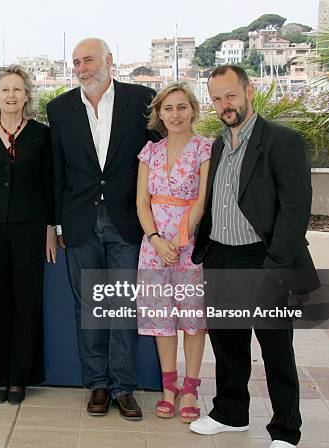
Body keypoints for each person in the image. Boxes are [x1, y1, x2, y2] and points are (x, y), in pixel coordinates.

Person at [189, 65, 320, 448]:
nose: (224, 105)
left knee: (275, 347)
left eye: (230, 95)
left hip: (264, 259)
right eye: (216, 98)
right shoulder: (217, 145)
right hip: (221, 257)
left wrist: (276, 268)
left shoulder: (283, 142)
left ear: (249, 91)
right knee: (228, 344)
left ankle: (285, 430)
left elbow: (295, 212)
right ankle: (231, 414)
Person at [47, 37, 157, 420]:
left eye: (88, 60)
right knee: (91, 308)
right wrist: (54, 224)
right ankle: (97, 385)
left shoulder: (142, 100)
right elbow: (56, 171)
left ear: (110, 61)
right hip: (79, 225)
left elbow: (158, 157)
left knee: (123, 306)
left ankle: (124, 388)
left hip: (128, 223)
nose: (82, 69)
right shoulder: (59, 109)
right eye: (76, 62)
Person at [0, 65, 55, 405]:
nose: (11, 95)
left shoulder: (41, 134)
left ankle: (20, 378)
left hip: (30, 228)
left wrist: (50, 227)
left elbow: (49, 184)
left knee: (26, 301)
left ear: (26, 96)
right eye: (5, 89)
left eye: (17, 89)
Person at [135, 82, 211, 423]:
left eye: (182, 107)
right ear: (159, 114)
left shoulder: (205, 149)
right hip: (154, 247)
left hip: (189, 245)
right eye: (168, 108)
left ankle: (192, 387)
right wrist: (154, 238)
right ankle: (170, 387)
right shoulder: (149, 152)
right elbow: (141, 202)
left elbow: (202, 199)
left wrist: (181, 239)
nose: (175, 114)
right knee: (160, 318)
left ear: (192, 110)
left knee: (192, 318)